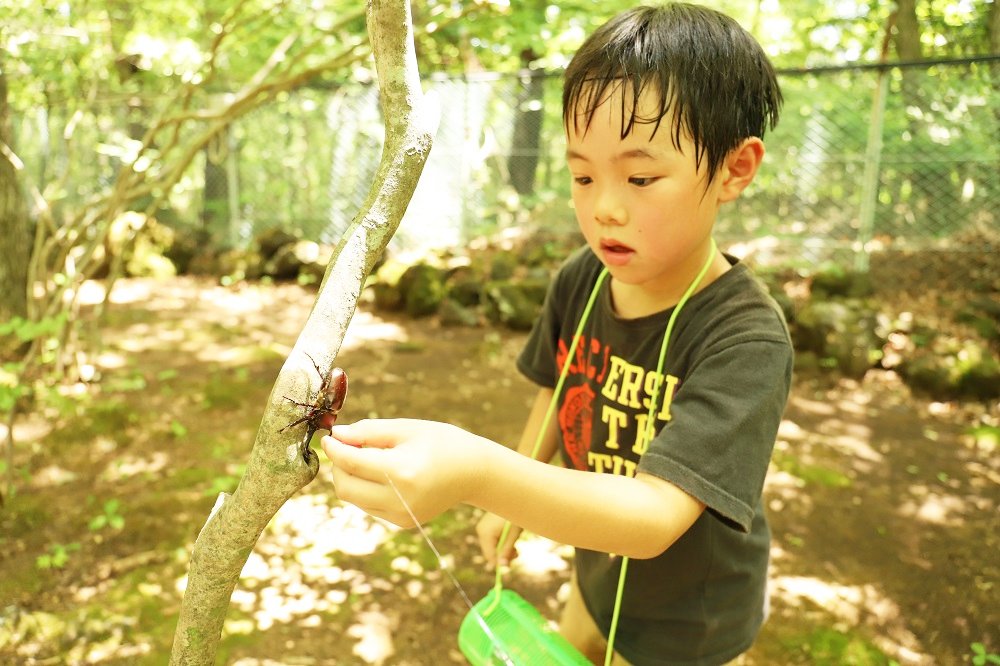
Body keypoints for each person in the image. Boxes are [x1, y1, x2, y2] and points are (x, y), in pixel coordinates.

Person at [323, 3, 792, 664]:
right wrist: (516, 490)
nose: (603, 205)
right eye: (582, 175)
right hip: (596, 565)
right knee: (574, 643)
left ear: (733, 170)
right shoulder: (586, 278)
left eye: (640, 177)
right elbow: (559, 384)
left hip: (693, 621)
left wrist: (482, 475)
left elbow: (656, 516)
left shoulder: (745, 342)